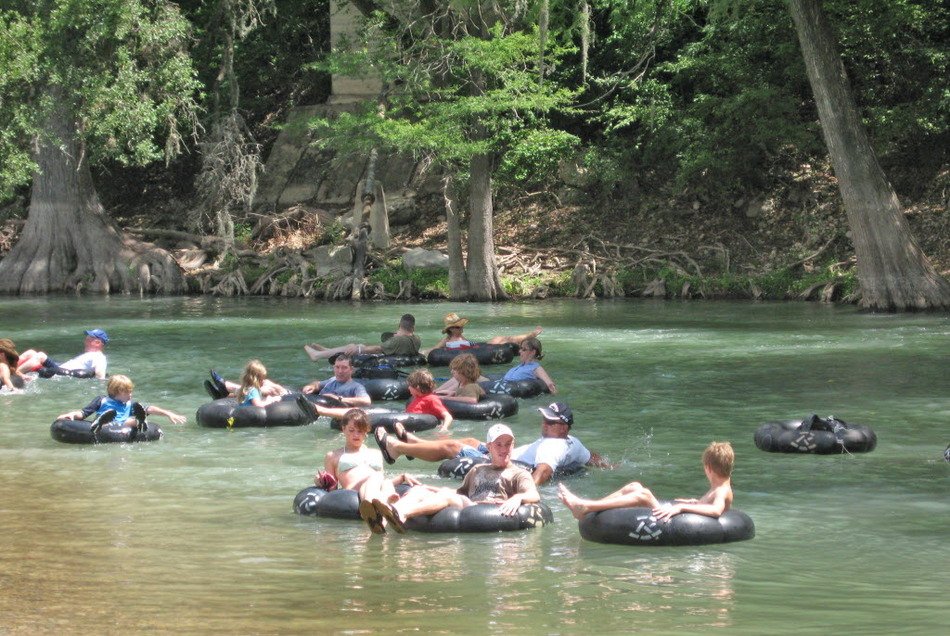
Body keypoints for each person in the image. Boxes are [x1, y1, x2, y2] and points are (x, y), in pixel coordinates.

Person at [375, 401, 609, 486]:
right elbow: (592, 458)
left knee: (453, 448)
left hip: (505, 460)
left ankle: (397, 449)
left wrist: (525, 491)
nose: (545, 423)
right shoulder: (572, 442)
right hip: (508, 451)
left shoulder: (552, 447)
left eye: (551, 421)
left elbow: (544, 470)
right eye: (545, 419)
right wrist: (611, 467)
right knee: (470, 440)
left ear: (564, 427)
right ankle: (416, 441)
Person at [361, 423, 540, 534]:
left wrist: (518, 497)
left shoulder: (518, 473)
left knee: (446, 495)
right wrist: (428, 488)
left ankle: (402, 513)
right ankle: (383, 519)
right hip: (469, 506)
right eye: (499, 445)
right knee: (420, 489)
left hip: (490, 511)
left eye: (508, 444)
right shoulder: (477, 469)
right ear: (489, 447)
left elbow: (533, 495)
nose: (504, 449)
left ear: (513, 445)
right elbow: (459, 493)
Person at [557, 441, 735, 522]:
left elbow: (716, 510)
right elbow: (708, 505)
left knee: (644, 494)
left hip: (671, 523)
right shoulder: (718, 487)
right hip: (672, 517)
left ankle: (585, 506)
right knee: (634, 486)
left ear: (708, 468)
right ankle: (587, 509)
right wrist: (695, 502)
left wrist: (681, 507)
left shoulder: (722, 490)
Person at [315, 409, 419, 534]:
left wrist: (402, 477)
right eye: (351, 430)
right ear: (343, 429)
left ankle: (382, 518)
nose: (356, 435)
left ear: (366, 431)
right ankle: (372, 505)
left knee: (385, 481)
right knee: (376, 477)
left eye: (360, 431)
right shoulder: (333, 456)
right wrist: (319, 481)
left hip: (374, 487)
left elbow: (378, 482)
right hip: (353, 490)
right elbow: (331, 486)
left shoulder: (375, 454)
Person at [56, 374, 186, 432]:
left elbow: (149, 408)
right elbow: (83, 413)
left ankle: (137, 422)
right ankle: (104, 420)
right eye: (126, 392)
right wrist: (71, 415)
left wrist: (168, 413)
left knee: (135, 418)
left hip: (121, 426)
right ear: (116, 391)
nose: (130, 395)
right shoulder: (101, 400)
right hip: (104, 427)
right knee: (125, 421)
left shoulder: (129, 404)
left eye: (131, 391)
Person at [304, 314, 421, 361]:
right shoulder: (417, 340)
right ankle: (328, 351)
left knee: (354, 346)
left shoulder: (397, 340)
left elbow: (377, 349)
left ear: (399, 325)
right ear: (413, 328)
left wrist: (357, 349)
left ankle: (317, 355)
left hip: (385, 358)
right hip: (395, 354)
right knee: (361, 346)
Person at [424, 312, 543, 353]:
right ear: (451, 329)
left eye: (461, 327)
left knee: (502, 338)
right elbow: (434, 349)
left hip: (478, 346)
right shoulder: (447, 340)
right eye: (458, 327)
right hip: (479, 349)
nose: (461, 329)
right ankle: (529, 337)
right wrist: (422, 352)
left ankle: (529, 336)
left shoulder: (460, 336)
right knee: (501, 340)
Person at [17, 329, 109, 379]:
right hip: (60, 367)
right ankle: (10, 367)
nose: (85, 340)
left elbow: (100, 376)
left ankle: (15, 374)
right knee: (31, 352)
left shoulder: (99, 357)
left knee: (40, 355)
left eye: (89, 339)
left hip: (63, 372)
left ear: (97, 343)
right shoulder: (89, 354)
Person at [300, 354, 372, 418]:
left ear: (351, 370)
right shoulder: (332, 380)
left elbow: (366, 401)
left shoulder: (356, 386)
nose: (340, 371)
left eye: (344, 367)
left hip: (331, 413)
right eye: (337, 367)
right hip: (313, 407)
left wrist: (339, 399)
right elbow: (317, 384)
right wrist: (311, 386)